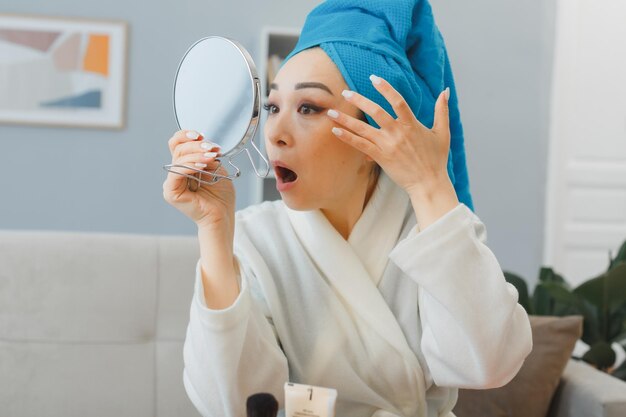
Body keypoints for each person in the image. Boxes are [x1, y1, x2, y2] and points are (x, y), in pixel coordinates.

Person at [162, 1, 533, 416]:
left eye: (308, 108)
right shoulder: (252, 237)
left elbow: (489, 365)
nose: (276, 134)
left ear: (375, 133)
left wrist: (431, 185)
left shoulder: (430, 231)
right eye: (272, 107)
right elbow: (234, 402)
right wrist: (214, 230)